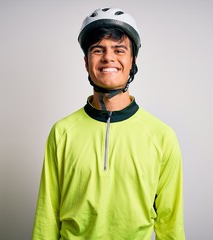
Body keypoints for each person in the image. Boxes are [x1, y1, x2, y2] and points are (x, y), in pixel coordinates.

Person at [32, 7, 185, 239]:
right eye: (98, 50)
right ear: (86, 62)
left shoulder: (161, 136)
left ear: (132, 59)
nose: (108, 58)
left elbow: (170, 222)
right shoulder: (62, 132)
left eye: (119, 49)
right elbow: (47, 216)